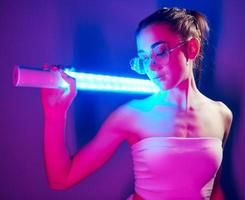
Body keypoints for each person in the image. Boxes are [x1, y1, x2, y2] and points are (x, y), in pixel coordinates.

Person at [41, 7, 233, 200]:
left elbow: (214, 190)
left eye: (160, 51)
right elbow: (61, 179)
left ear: (191, 48)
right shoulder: (132, 115)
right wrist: (54, 113)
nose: (151, 66)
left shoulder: (222, 115)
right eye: (144, 58)